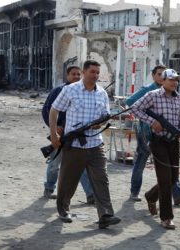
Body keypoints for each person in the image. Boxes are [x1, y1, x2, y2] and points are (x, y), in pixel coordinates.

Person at [49, 60, 121, 228]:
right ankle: (63, 209)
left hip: (95, 144)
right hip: (74, 145)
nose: (95, 75)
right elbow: (54, 110)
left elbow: (106, 115)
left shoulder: (101, 93)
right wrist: (54, 134)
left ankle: (105, 215)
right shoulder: (70, 90)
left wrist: (101, 123)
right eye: (92, 72)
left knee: (101, 180)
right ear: (84, 72)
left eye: (97, 72)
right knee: (68, 181)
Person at [126, 65, 180, 205]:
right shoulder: (149, 91)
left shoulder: (177, 97)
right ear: (156, 76)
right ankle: (135, 191)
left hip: (170, 136)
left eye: (176, 79)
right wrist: (151, 120)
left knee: (170, 171)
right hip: (148, 133)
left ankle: (176, 194)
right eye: (159, 74)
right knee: (142, 161)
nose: (174, 82)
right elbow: (131, 103)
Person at [41, 66, 94, 204]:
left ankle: (90, 194)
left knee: (80, 165)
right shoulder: (59, 90)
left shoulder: (85, 91)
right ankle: (49, 189)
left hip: (76, 134)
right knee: (54, 163)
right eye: (73, 74)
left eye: (78, 74)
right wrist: (55, 128)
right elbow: (47, 110)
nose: (76, 76)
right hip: (61, 134)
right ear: (67, 75)